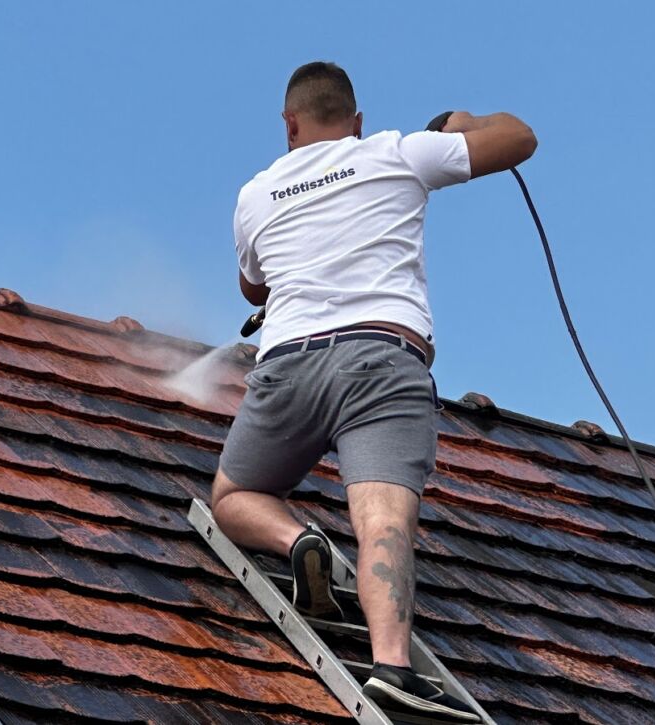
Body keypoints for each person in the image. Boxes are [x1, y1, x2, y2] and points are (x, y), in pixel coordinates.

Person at [211, 61, 537, 720]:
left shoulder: (256, 194)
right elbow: (521, 138)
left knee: (235, 495)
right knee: (383, 518)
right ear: (355, 123)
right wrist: (464, 126)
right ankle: (392, 666)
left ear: (289, 123)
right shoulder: (396, 152)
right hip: (382, 362)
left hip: (289, 366)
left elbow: (254, 288)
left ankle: (298, 541)